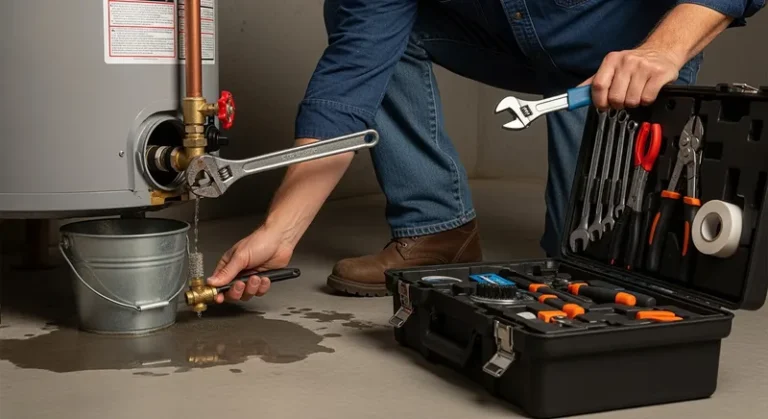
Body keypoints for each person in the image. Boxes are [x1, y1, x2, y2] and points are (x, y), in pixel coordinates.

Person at [206, 0, 764, 302]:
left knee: (590, 268)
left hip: (629, 55)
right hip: (510, 39)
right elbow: (349, 84)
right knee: (375, 30)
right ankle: (436, 227)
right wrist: (280, 233)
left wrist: (662, 50)